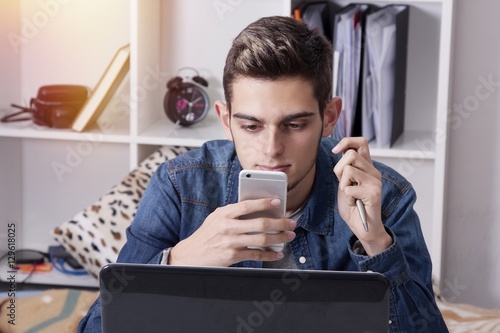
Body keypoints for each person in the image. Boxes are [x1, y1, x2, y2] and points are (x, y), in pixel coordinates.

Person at [78, 16, 448, 332]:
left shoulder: (384, 196)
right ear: (226, 120)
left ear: (330, 117)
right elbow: (98, 325)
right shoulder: (180, 186)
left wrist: (375, 243)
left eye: (295, 124)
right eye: (251, 126)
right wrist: (181, 260)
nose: (271, 149)